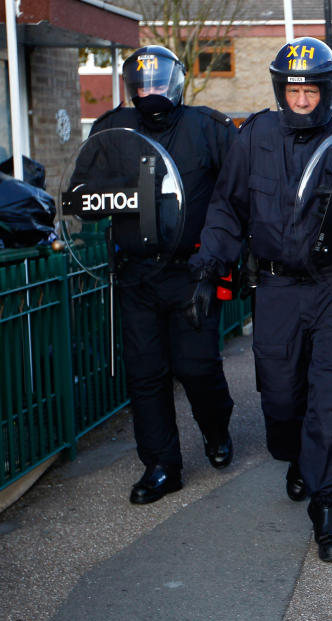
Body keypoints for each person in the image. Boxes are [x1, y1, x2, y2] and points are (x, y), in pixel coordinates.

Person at [189, 37, 332, 562]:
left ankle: (330, 507)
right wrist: (208, 268)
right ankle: (298, 457)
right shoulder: (255, 136)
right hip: (276, 288)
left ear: (328, 89)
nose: (303, 98)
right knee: (284, 396)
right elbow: (227, 208)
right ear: (280, 89)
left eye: (312, 89)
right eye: (294, 89)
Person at [89, 45, 237, 505]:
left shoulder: (208, 128)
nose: (151, 90)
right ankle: (160, 465)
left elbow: (232, 198)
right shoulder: (111, 129)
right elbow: (82, 190)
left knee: (197, 367)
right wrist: (113, 194)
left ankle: (216, 428)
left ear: (174, 82)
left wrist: (219, 260)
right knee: (145, 374)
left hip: (193, 270)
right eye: (143, 83)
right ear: (133, 87)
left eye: (158, 81)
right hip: (136, 274)